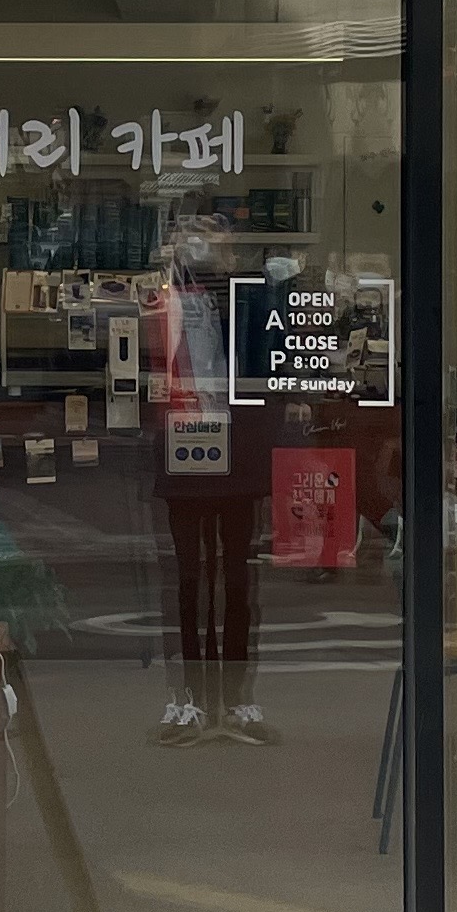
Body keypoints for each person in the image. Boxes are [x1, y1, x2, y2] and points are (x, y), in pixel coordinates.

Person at [146, 206, 273, 747]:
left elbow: (269, 366)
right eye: (189, 233)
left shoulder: (253, 295)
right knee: (188, 580)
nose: (199, 244)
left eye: (211, 233)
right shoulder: (161, 296)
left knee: (239, 580)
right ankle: (191, 699)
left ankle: (238, 698)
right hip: (184, 449)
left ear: (231, 243)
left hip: (239, 453)